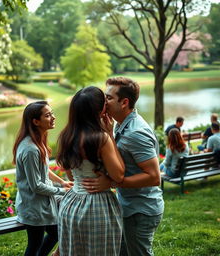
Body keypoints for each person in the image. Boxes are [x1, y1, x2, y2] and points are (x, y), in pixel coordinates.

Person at [82, 77, 164, 256]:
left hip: (140, 210)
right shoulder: (120, 124)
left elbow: (153, 177)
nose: (104, 102)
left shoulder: (136, 133)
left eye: (109, 98)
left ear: (124, 102)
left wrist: (112, 183)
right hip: (128, 206)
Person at [56, 86, 125, 256]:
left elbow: (71, 174)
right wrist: (110, 133)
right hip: (97, 205)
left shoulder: (66, 136)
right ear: (100, 110)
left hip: (71, 205)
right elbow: (119, 174)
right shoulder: (101, 138)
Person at [12, 101, 72, 256]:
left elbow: (43, 171)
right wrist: (62, 191)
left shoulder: (37, 142)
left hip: (39, 206)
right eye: (48, 115)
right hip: (33, 207)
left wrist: (62, 181)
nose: (53, 117)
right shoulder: (31, 149)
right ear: (36, 121)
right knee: (35, 244)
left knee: (56, 234)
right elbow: (36, 185)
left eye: (52, 113)